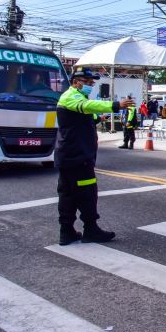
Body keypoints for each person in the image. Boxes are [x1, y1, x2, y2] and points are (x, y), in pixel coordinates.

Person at [55, 67, 134, 246]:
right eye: (88, 83)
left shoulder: (76, 99)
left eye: (92, 83)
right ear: (76, 82)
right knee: (87, 193)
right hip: (78, 157)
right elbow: (87, 107)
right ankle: (90, 229)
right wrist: (115, 105)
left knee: (68, 195)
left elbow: (85, 115)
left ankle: (66, 232)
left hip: (70, 156)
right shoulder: (71, 96)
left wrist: (99, 118)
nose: (91, 86)